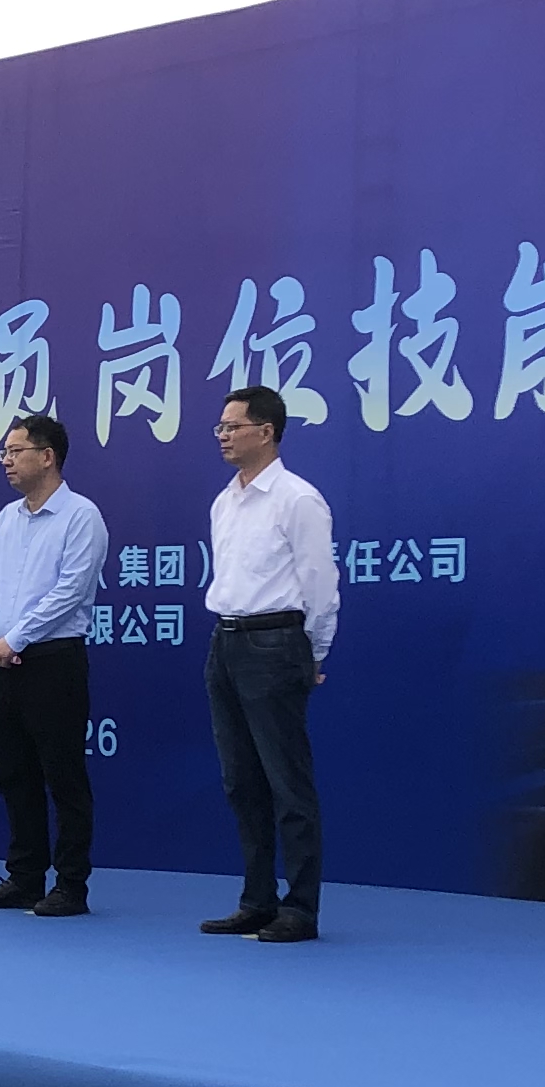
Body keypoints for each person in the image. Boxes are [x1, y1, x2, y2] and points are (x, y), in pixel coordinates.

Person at [199, 385, 340, 942]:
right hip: (226, 641)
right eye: (220, 428)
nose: (223, 436)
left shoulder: (297, 499)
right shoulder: (224, 502)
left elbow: (320, 584)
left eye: (233, 427)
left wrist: (313, 652)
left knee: (288, 783)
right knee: (241, 781)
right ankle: (256, 899)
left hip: (276, 643)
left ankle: (300, 907)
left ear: (267, 431)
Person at [0, 413, 110, 917]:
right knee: (14, 773)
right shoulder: (7, 518)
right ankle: (24, 877)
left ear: (47, 457)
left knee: (63, 777)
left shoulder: (81, 516)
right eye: (3, 453)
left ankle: (71, 885)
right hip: (3, 663)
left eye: (15, 451)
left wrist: (14, 638)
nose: (5, 460)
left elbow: (70, 591)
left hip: (53, 661)